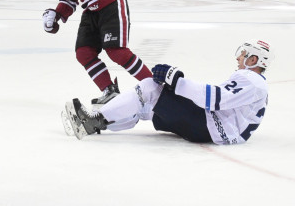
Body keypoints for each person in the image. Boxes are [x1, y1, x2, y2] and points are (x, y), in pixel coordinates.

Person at [63, 40, 272, 145]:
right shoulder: (255, 83)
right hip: (215, 129)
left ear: (254, 59)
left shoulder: (251, 79)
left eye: (243, 54)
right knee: (147, 106)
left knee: (149, 87)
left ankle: (94, 121)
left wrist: (177, 81)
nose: (238, 58)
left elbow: (214, 99)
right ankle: (101, 123)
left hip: (210, 127)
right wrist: (176, 85)